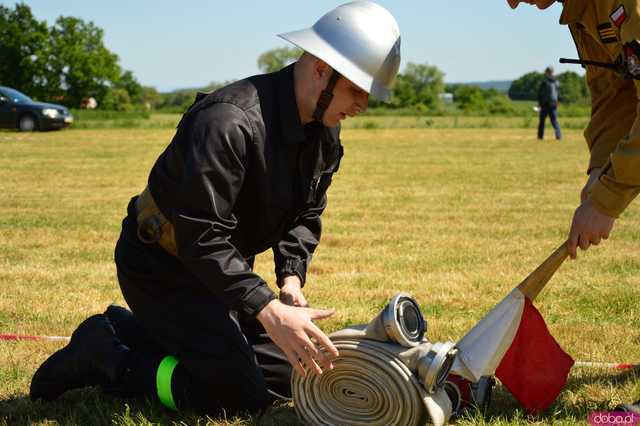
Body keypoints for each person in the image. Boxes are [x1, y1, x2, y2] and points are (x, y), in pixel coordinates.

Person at [29, 0, 402, 416]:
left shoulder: (323, 133)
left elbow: (305, 215)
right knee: (235, 397)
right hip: (161, 269)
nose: (363, 105)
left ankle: (131, 330)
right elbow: (201, 237)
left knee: (295, 374)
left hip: (219, 274)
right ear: (320, 70)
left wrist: (290, 280)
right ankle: (107, 355)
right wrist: (266, 309)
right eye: (356, 89)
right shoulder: (227, 122)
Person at [507, 0, 640, 413]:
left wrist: (608, 197)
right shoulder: (586, 11)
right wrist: (600, 170)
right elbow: (615, 94)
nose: (512, 4)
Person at [537, 66, 562, 140]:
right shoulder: (556, 82)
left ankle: (540, 136)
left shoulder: (544, 82)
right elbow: (558, 94)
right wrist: (558, 102)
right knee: (554, 121)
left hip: (545, 104)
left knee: (542, 121)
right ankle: (559, 136)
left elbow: (539, 93)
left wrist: (539, 103)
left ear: (547, 72)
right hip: (554, 104)